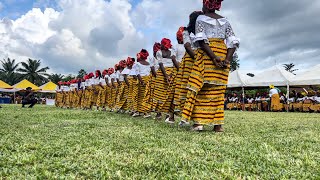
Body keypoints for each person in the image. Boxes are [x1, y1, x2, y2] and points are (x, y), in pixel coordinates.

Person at [181, 0, 239, 131]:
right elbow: (233, 42)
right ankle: (218, 126)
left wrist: (213, 57)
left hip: (208, 55)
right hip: (223, 53)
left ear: (206, 5)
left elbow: (201, 40)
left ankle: (198, 124)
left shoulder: (200, 18)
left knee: (200, 88)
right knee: (218, 91)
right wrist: (227, 60)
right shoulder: (226, 21)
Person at [153, 38, 178, 123]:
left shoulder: (172, 51)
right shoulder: (159, 52)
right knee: (160, 94)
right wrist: (166, 75)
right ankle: (159, 113)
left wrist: (172, 74)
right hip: (162, 74)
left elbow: (174, 62)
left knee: (170, 94)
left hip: (171, 73)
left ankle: (169, 114)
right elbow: (161, 65)